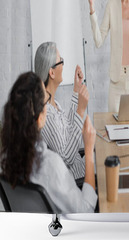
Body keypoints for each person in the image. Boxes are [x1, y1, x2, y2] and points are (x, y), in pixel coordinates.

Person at [0, 72, 97, 213]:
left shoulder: (4, 159)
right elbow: (86, 212)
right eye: (46, 101)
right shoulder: (51, 166)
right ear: (39, 118)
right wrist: (89, 152)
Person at [34, 42, 88, 181]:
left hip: (81, 169)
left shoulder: (54, 104)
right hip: (77, 181)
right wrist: (80, 111)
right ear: (51, 72)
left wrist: (76, 91)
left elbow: (69, 131)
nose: (63, 65)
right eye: (61, 61)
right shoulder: (46, 114)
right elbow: (67, 157)